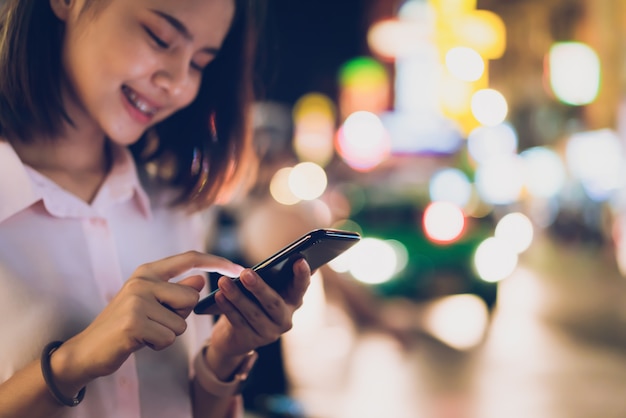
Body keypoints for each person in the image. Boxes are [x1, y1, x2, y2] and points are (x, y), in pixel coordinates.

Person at [0, 1, 312, 418]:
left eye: (201, 62)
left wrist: (224, 355)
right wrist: (71, 363)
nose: (180, 85)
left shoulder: (172, 202)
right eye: (160, 38)